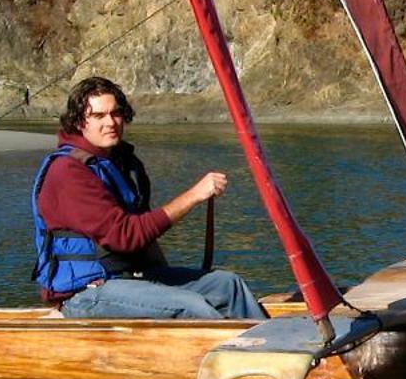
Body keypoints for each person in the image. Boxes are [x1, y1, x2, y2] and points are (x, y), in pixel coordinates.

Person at [32, 76, 267, 320]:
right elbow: (126, 236)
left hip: (132, 278)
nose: (111, 122)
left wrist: (164, 279)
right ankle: (228, 354)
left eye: (116, 114)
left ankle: (270, 350)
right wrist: (194, 196)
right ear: (79, 122)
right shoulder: (68, 172)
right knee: (191, 306)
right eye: (99, 116)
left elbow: (145, 238)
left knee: (227, 285)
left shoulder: (125, 164)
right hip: (86, 292)